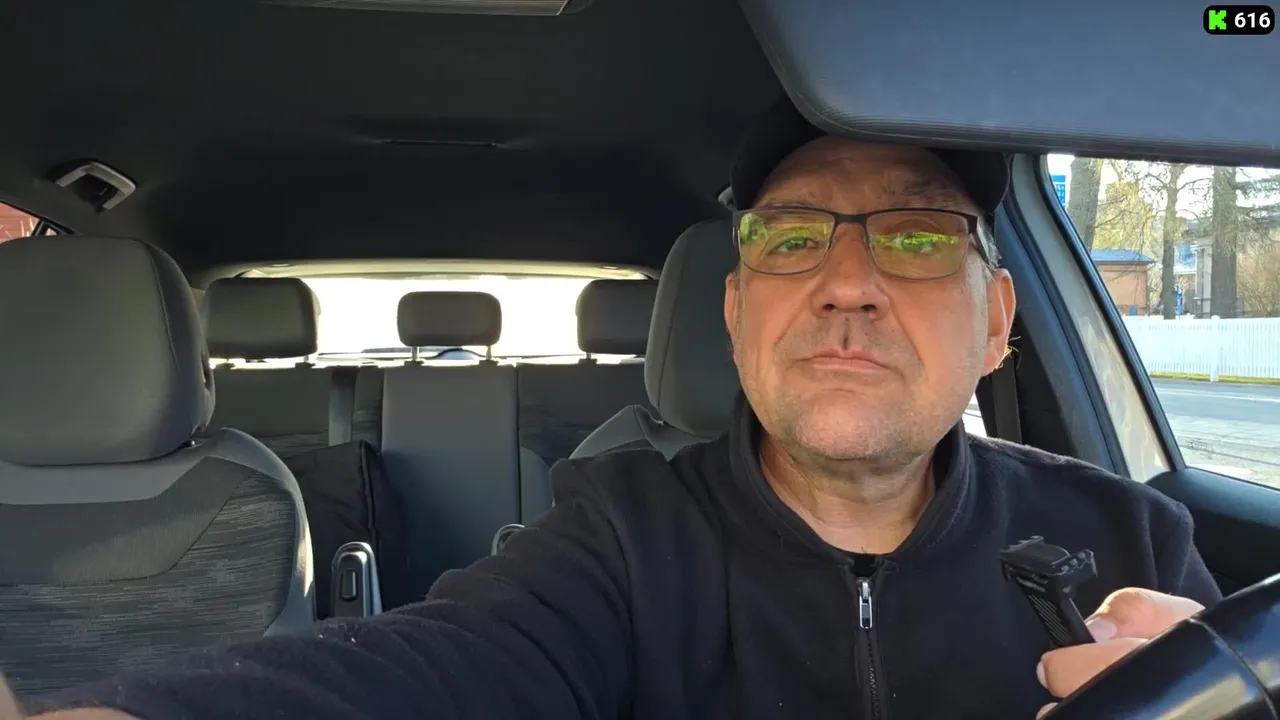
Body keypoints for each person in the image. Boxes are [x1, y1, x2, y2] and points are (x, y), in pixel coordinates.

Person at [9, 100, 1221, 719]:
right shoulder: (621, 532)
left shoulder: (1130, 541)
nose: (846, 283)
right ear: (737, 317)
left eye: (913, 236)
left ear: (997, 320)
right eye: (789, 238)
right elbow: (433, 672)